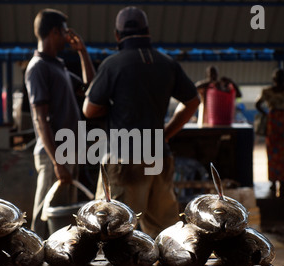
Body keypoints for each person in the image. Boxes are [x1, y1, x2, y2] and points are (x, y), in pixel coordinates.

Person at [83, 6, 200, 238]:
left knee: (112, 229)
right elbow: (193, 101)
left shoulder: (113, 64)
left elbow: (89, 109)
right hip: (159, 154)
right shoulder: (167, 63)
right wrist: (166, 134)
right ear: (148, 32)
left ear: (117, 36)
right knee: (165, 233)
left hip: (125, 158)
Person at [25, 8, 95, 238]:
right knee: (45, 212)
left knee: (65, 213)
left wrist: (83, 52)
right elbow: (40, 119)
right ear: (54, 32)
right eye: (65, 31)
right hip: (53, 154)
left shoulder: (59, 65)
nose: (68, 36)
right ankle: (34, 258)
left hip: (69, 151)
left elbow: (90, 89)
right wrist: (56, 161)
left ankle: (60, 261)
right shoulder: (38, 68)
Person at [255, 68, 284, 195]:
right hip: (274, 124)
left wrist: (267, 114)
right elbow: (258, 104)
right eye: (278, 79)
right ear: (274, 80)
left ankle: (283, 181)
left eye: (282, 79)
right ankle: (274, 181)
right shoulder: (268, 91)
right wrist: (267, 114)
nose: (280, 82)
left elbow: (258, 104)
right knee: (273, 154)